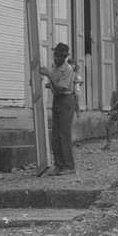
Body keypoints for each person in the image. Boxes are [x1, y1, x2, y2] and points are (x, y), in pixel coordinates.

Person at [40, 42, 76, 176]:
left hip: (66, 100)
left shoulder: (68, 69)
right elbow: (54, 85)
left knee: (64, 134)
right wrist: (42, 85)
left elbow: (61, 88)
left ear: (64, 57)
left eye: (59, 56)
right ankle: (59, 165)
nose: (56, 58)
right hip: (57, 100)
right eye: (55, 55)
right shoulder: (56, 68)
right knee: (55, 135)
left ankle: (69, 165)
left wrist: (49, 75)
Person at [102, 78, 118, 151]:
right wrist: (112, 109)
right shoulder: (114, 93)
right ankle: (108, 143)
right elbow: (112, 101)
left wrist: (111, 109)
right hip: (114, 111)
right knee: (107, 127)